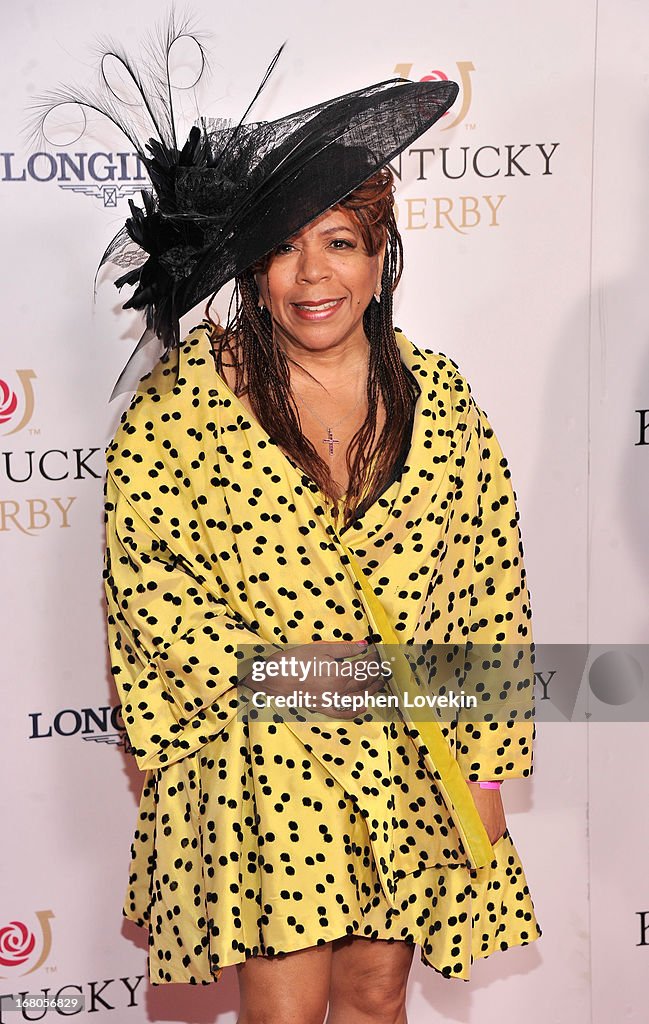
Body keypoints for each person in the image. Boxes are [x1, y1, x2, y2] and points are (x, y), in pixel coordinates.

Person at [37, 16, 541, 1022]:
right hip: (263, 763)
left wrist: (486, 762)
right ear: (251, 266)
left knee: (373, 995)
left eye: (341, 243)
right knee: (283, 1008)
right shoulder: (183, 406)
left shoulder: (440, 401)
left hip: (404, 757)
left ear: (380, 253)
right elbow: (149, 595)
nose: (314, 277)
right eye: (284, 248)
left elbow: (489, 589)